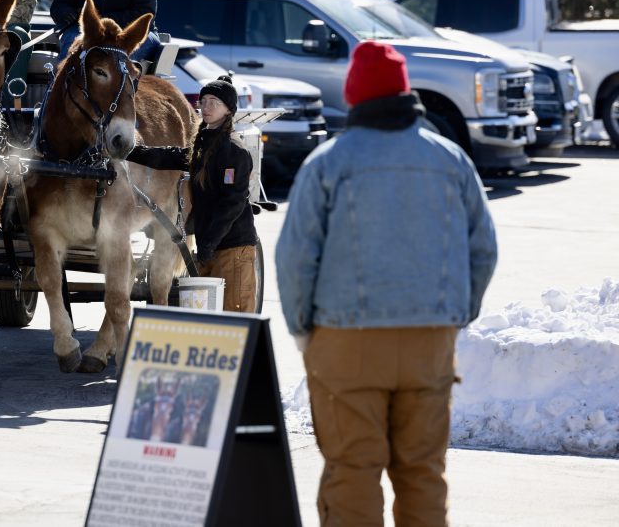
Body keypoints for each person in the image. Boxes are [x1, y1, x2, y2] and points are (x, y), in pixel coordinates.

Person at [275, 41, 498, 527]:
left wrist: (302, 330)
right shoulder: (451, 159)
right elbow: (483, 249)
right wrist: (455, 316)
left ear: (354, 96)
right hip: (429, 342)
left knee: (352, 471)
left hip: (345, 340)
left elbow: (295, 257)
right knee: (422, 472)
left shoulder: (328, 162)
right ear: (405, 94)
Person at [127, 75, 258, 312]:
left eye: (214, 103)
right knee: (207, 320)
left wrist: (208, 244)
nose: (206, 107)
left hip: (233, 249)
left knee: (235, 316)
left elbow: (232, 203)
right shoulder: (202, 146)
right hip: (209, 247)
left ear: (228, 110)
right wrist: (131, 151)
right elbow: (170, 156)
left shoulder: (233, 152)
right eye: (203, 101)